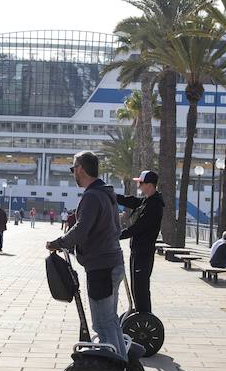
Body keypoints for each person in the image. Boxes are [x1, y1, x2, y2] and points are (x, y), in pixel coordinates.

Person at [46, 151, 127, 360]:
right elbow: (114, 229)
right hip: (113, 262)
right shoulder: (106, 194)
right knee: (110, 320)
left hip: (101, 268)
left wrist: (58, 243)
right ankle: (123, 366)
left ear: (81, 168)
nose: (73, 173)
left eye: (73, 168)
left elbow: (82, 230)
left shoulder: (92, 196)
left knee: (102, 323)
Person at [116, 170, 164, 314]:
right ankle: (140, 314)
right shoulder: (147, 200)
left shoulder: (154, 204)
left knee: (141, 288)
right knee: (136, 286)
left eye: (141, 183)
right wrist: (113, 196)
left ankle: (144, 317)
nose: (139, 185)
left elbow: (138, 227)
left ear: (149, 185)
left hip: (144, 253)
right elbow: (131, 201)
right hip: (137, 251)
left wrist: (116, 236)